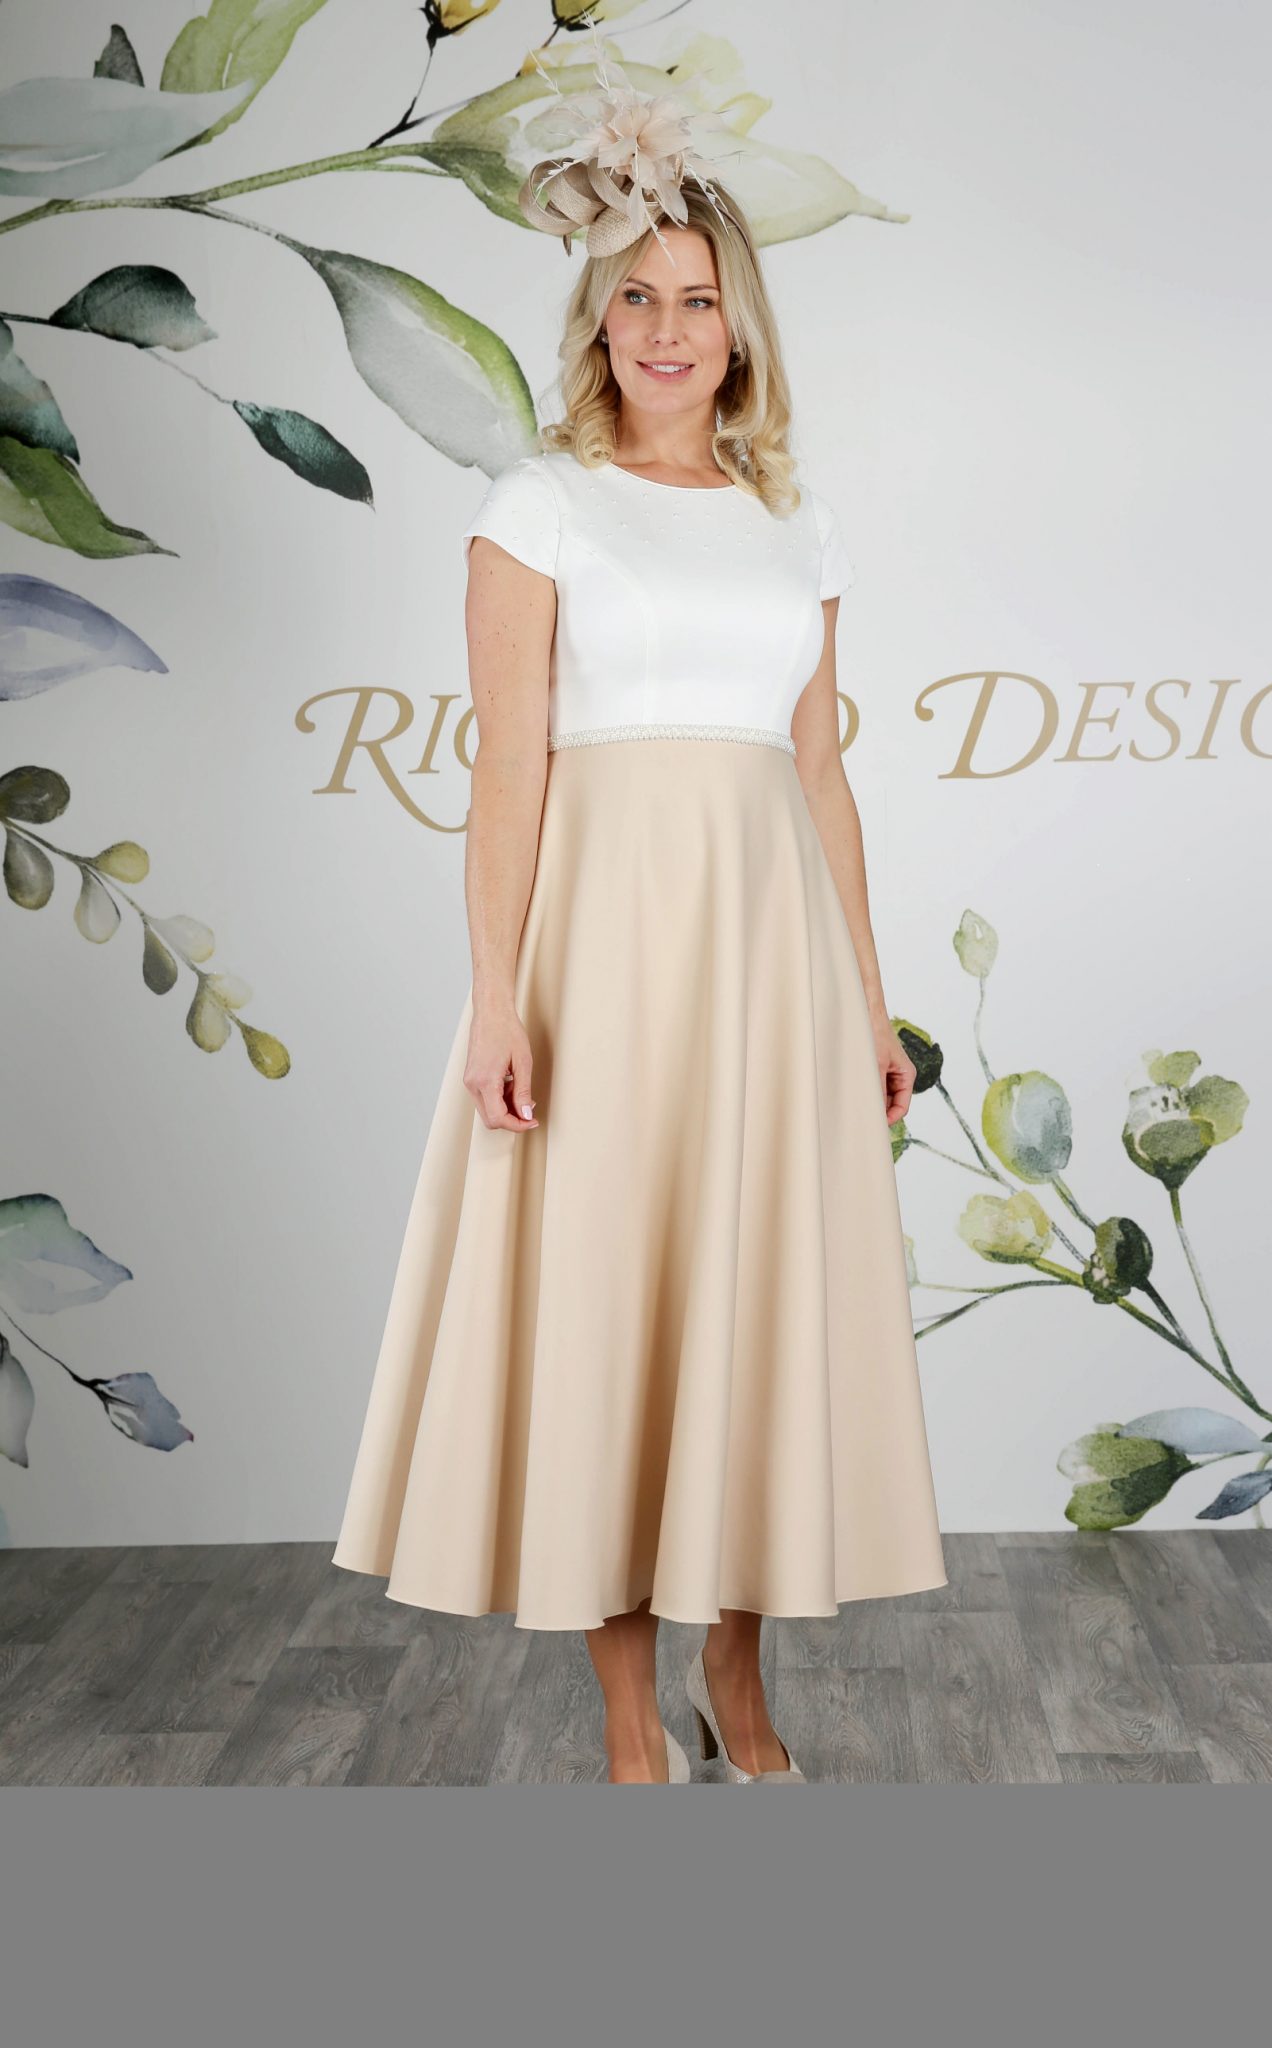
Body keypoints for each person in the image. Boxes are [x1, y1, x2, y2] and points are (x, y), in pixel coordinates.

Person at [331, 52, 948, 1784]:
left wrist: (868, 1002)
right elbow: (505, 772)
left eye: (695, 300)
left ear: (738, 327)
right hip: (598, 958)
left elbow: (819, 774)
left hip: (769, 959)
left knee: (755, 1306)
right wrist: (496, 999)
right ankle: (625, 1705)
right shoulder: (535, 508)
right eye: (634, 299)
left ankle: (737, 1679)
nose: (665, 330)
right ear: (595, 320)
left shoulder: (792, 521)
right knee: (608, 1298)